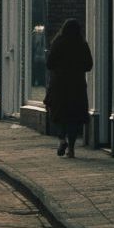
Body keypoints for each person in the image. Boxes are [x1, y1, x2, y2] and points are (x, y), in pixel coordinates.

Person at [44, 18, 93, 158]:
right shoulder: (82, 45)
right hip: (76, 85)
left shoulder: (57, 43)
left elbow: (49, 64)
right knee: (74, 117)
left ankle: (61, 139)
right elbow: (89, 65)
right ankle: (71, 149)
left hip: (59, 85)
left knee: (59, 115)